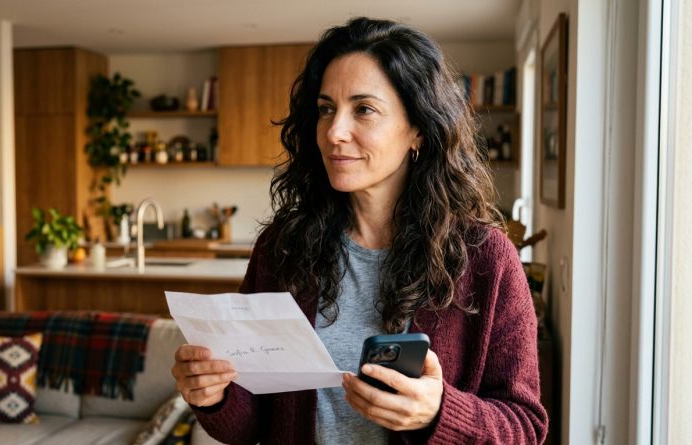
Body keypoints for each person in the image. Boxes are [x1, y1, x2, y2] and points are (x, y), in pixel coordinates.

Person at [171, 17, 548, 444]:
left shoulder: (487, 258)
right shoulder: (282, 248)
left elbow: (525, 428)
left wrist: (439, 413)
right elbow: (250, 424)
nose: (334, 132)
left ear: (418, 130)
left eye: (364, 109)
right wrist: (212, 395)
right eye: (326, 109)